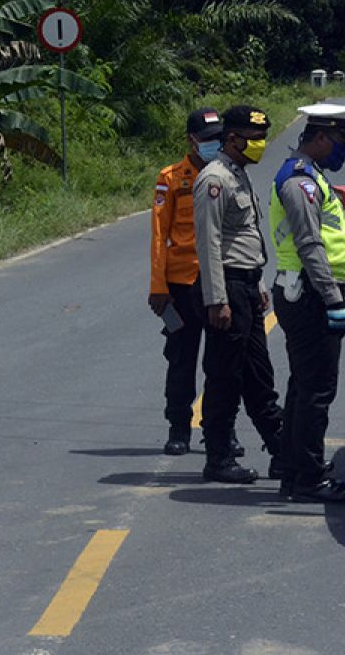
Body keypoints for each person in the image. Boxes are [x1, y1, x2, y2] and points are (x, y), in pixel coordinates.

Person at [269, 103, 345, 503]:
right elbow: (309, 244)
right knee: (317, 390)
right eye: (341, 140)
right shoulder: (300, 181)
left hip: (306, 291)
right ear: (322, 137)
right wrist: (331, 298)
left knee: (304, 385)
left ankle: (296, 469)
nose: (344, 149)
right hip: (309, 292)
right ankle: (308, 479)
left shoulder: (312, 177)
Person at [193, 105, 283, 483]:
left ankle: (284, 452)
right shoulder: (213, 180)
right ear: (232, 138)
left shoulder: (238, 175)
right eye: (254, 138)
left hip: (245, 284)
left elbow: (247, 236)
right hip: (226, 286)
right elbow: (210, 242)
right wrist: (217, 300)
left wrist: (258, 285)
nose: (260, 145)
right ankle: (218, 457)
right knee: (225, 375)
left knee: (259, 373)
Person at [148, 108, 233, 456]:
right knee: (181, 359)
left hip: (220, 283)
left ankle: (221, 430)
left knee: (223, 361)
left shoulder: (228, 176)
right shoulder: (171, 178)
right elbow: (158, 235)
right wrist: (158, 288)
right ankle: (178, 428)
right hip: (181, 284)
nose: (214, 144)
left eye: (218, 138)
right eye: (208, 139)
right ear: (191, 141)